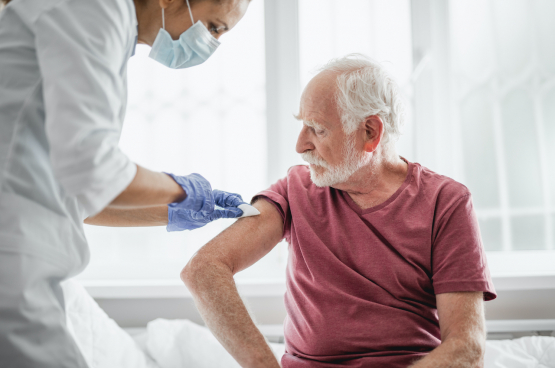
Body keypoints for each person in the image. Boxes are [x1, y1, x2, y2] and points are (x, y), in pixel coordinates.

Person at [181, 55, 497, 368]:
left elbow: (467, 348)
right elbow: (204, 270)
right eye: (302, 126)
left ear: (371, 132)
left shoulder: (446, 202)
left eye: (317, 129)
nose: (300, 145)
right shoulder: (295, 189)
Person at [0, 0, 250, 366]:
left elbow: (78, 195)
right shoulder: (94, 9)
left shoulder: (108, 28)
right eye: (213, 28)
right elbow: (93, 169)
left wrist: (173, 210)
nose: (208, 46)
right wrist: (182, 192)